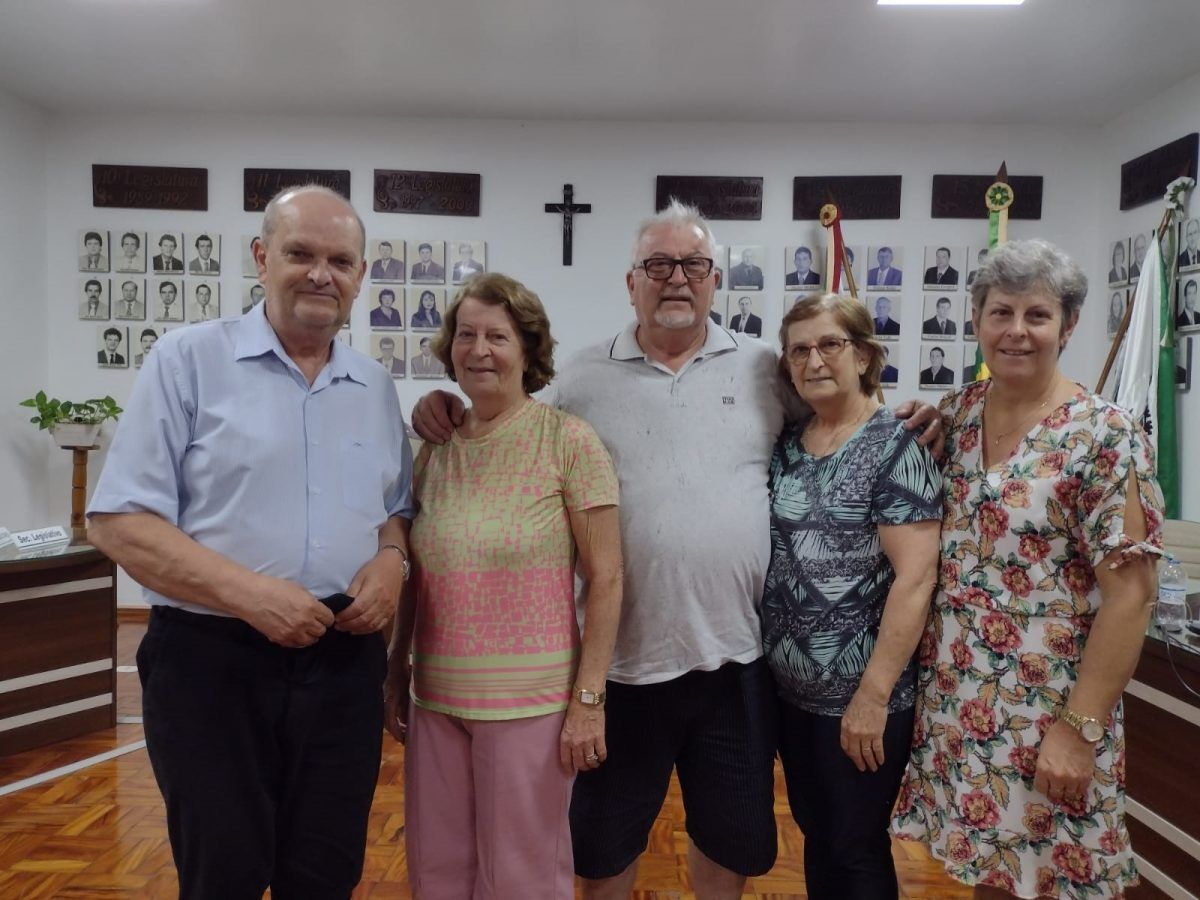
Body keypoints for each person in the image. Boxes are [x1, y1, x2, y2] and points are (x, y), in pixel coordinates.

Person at [410, 201, 943, 898]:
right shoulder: (580, 377)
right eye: (657, 265)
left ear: (716, 279)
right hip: (621, 668)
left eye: (692, 265)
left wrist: (923, 412)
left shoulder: (762, 368)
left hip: (736, 661)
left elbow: (840, 407)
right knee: (600, 850)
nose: (676, 279)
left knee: (732, 842)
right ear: (630, 281)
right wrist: (440, 404)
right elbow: (508, 413)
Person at [86, 185, 415, 899]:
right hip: (211, 665)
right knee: (223, 875)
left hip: (342, 662)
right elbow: (117, 520)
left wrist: (393, 560)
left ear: (362, 277)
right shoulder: (186, 361)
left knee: (325, 875)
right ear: (263, 258)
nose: (320, 274)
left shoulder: (374, 387)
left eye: (340, 260)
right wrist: (251, 597)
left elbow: (395, 509)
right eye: (300, 253)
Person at [893, 238, 1163, 899]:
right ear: (977, 320)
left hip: (1053, 706)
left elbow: (1131, 597)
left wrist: (1079, 729)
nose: (1017, 331)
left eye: (1037, 316)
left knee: (1058, 880)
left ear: (1068, 326)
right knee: (997, 872)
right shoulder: (956, 415)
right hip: (962, 701)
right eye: (1001, 312)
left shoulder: (1104, 436)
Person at [385, 273, 623, 898]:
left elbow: (608, 577)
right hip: (436, 698)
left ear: (529, 349)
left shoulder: (567, 441)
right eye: (466, 335)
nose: (479, 350)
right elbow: (416, 573)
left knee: (522, 877)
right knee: (437, 873)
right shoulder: (434, 448)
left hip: (531, 707)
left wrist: (588, 701)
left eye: (498, 336)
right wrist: (396, 672)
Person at [765, 293, 941, 898]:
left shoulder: (896, 447)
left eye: (830, 345)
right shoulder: (788, 443)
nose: (814, 360)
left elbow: (916, 580)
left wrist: (871, 696)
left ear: (864, 356)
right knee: (818, 835)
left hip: (862, 700)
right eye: (799, 350)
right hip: (791, 696)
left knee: (855, 846)